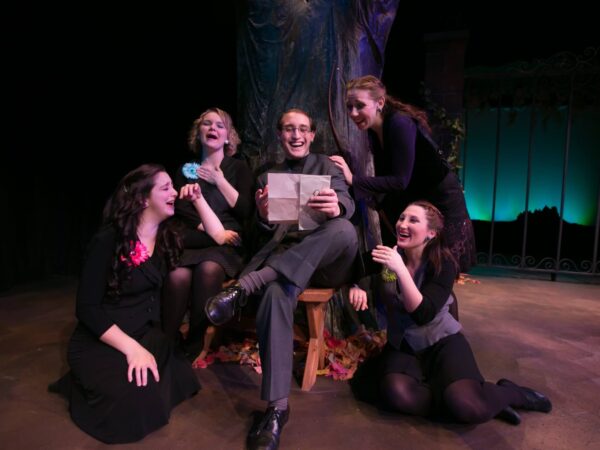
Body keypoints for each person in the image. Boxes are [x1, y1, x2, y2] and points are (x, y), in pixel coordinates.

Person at [206, 109, 359, 450]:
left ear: (312, 134)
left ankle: (246, 286)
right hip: (282, 263)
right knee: (277, 292)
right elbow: (256, 237)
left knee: (345, 228)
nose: (296, 135)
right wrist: (261, 219)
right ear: (280, 134)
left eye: (303, 129)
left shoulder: (328, 167)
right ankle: (276, 409)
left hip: (326, 260)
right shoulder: (266, 176)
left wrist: (338, 208)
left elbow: (349, 206)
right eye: (289, 129)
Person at [348, 200, 552, 425]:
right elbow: (353, 267)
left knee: (468, 406)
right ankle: (469, 401)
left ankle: (510, 394)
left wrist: (399, 269)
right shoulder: (389, 256)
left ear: (431, 233)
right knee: (397, 394)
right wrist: (355, 286)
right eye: (402, 218)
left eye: (413, 220)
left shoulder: (443, 264)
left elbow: (422, 313)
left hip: (441, 341)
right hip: (403, 345)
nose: (403, 224)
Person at [49, 164, 201, 444]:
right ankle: (79, 384)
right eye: (165, 187)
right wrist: (132, 350)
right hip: (104, 338)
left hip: (144, 333)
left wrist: (198, 200)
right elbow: (87, 309)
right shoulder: (108, 240)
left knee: (181, 378)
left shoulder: (169, 236)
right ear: (143, 199)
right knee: (133, 407)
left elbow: (218, 237)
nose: (175, 192)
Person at [330, 75, 476, 273]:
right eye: (349, 106)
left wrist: (353, 179)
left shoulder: (399, 123)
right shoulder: (374, 130)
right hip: (420, 198)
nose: (353, 113)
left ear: (379, 102)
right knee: (415, 265)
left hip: (441, 199)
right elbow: (390, 177)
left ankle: (437, 304)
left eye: (359, 105)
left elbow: (400, 181)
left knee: (440, 267)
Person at [162, 108, 253, 360]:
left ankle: (195, 341)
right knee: (178, 274)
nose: (213, 128)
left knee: (208, 269)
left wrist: (219, 180)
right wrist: (211, 230)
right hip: (196, 236)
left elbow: (245, 210)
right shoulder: (186, 169)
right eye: (207, 124)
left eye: (220, 125)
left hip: (227, 244)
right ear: (198, 133)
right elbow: (180, 207)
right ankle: (167, 341)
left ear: (227, 137)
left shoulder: (239, 168)